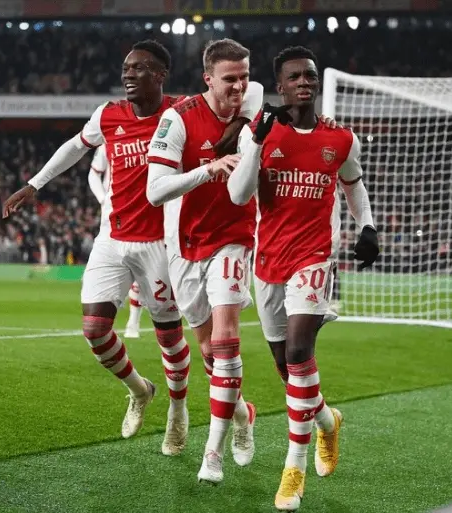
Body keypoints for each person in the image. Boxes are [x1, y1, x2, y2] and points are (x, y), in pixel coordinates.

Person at [3, 40, 260, 457]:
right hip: (113, 236)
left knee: (171, 337)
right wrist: (34, 184)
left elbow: (254, 88)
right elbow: (74, 147)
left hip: (162, 242)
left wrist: (240, 119)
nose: (127, 74)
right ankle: (140, 390)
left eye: (139, 68)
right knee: (94, 329)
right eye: (126, 67)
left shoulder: (179, 112)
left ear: (160, 76)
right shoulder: (108, 115)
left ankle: (178, 412)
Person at [226, 46, 380, 511]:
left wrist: (367, 225)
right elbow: (237, 196)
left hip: (314, 257)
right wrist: (254, 141)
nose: (304, 82)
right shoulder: (262, 135)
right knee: (284, 368)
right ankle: (328, 421)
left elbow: (353, 184)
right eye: (294, 77)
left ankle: (293, 468)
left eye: (309, 75)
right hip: (267, 259)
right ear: (281, 86)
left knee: (298, 352)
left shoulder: (341, 138)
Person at [146, 38, 265, 484]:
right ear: (207, 78)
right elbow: (155, 191)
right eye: (229, 78)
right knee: (209, 353)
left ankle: (211, 454)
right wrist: (209, 169)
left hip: (233, 238)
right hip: (183, 243)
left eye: (244, 76)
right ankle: (242, 415)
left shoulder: (250, 102)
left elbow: (260, 101)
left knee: (226, 336)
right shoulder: (177, 119)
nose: (239, 86)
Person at [88, 144, 144, 339]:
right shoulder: (108, 145)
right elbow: (93, 174)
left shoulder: (147, 141)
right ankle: (125, 319)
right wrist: (103, 199)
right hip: (111, 218)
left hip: (142, 212)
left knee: (140, 267)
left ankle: (133, 322)